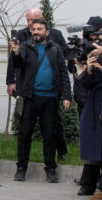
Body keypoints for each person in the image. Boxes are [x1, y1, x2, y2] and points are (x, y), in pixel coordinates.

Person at [9, 19, 72, 183]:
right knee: (24, 134)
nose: (36, 31)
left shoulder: (55, 49)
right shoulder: (25, 48)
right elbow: (19, 64)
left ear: (47, 32)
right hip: (30, 97)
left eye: (39, 29)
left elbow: (63, 73)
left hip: (50, 98)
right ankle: (21, 168)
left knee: (49, 135)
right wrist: (15, 53)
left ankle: (50, 169)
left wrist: (66, 95)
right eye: (33, 29)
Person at [74, 17, 102, 196]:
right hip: (93, 105)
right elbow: (83, 83)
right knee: (93, 144)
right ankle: (92, 183)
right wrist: (90, 69)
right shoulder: (96, 52)